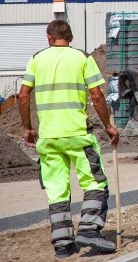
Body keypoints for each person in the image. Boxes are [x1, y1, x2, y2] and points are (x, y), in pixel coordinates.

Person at [18, 20, 120, 258]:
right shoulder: (82, 59)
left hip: (48, 138)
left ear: (48, 37)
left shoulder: (36, 59)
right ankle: (89, 230)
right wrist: (108, 126)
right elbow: (96, 95)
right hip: (78, 136)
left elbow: (23, 95)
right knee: (95, 183)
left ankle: (63, 244)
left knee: (57, 191)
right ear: (71, 38)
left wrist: (27, 128)